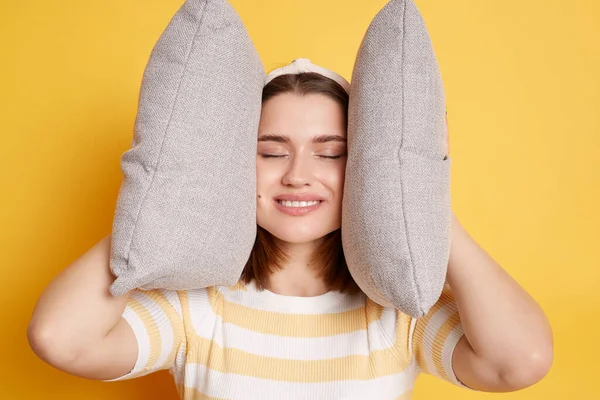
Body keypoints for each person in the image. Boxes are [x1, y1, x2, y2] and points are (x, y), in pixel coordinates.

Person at [27, 59, 553, 399]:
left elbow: (520, 363)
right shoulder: (196, 305)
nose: (298, 174)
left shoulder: (399, 312)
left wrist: (421, 201)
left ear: (365, 168)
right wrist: (164, 193)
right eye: (271, 152)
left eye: (331, 153)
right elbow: (60, 340)